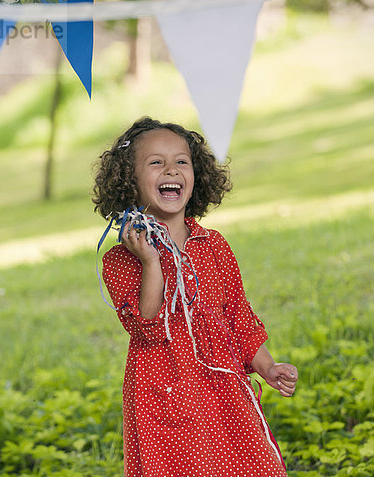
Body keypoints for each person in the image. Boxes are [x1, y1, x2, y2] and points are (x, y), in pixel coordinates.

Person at [92, 117, 298, 477]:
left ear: (196, 175)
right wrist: (151, 262)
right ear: (129, 180)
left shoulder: (213, 245)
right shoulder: (120, 261)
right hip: (166, 396)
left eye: (181, 161)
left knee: (249, 464)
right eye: (156, 162)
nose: (171, 169)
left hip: (224, 388)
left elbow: (239, 318)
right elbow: (149, 329)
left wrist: (267, 367)